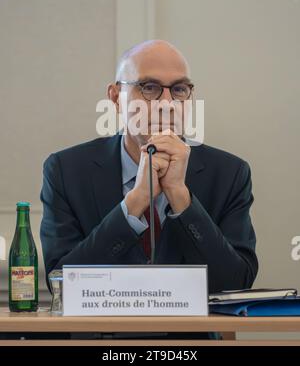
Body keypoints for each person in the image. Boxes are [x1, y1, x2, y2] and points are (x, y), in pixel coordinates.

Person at [40, 39, 258, 298]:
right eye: (149, 87)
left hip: (189, 338)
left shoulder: (229, 174)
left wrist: (180, 196)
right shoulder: (66, 171)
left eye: (178, 89)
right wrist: (136, 202)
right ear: (115, 97)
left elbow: (236, 283)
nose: (167, 103)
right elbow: (61, 285)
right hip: (100, 337)